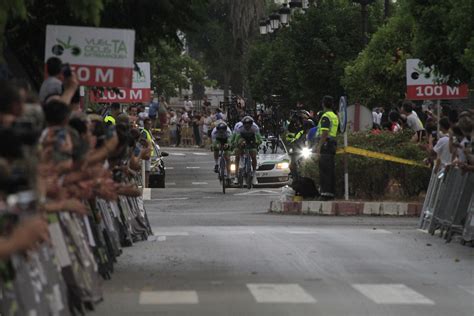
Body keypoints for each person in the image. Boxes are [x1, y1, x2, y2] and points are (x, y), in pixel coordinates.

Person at [315, 95, 339, 201]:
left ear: (323, 104)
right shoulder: (334, 116)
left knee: (324, 170)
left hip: (326, 145)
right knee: (330, 170)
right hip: (332, 144)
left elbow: (324, 133)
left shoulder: (325, 117)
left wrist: (319, 146)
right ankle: (331, 193)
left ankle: (325, 194)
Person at [232, 116, 262, 184]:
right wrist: (236, 143)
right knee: (238, 152)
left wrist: (257, 142)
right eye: (245, 124)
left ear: (252, 124)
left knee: (253, 154)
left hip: (252, 138)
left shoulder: (255, 127)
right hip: (242, 138)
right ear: (243, 124)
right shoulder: (239, 128)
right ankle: (236, 176)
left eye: (249, 125)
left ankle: (254, 174)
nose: (247, 126)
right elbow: (237, 138)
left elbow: (258, 138)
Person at [141, 118, 156, 187]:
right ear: (144, 124)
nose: (149, 125)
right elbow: (142, 141)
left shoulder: (148, 131)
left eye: (150, 124)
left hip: (149, 154)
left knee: (147, 171)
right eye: (148, 124)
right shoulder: (144, 132)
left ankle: (146, 185)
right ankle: (145, 186)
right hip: (146, 155)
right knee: (146, 171)